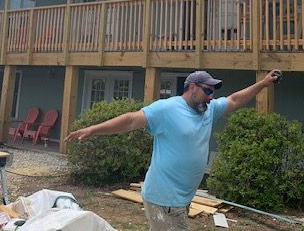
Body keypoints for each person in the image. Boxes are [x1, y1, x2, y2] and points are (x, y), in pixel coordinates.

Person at [65, 68, 283, 230]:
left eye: (213, 91)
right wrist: (93, 130)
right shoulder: (167, 109)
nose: (211, 95)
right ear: (191, 88)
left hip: (182, 197)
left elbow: (235, 100)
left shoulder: (208, 109)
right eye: (207, 90)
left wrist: (263, 83)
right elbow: (131, 120)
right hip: (164, 198)